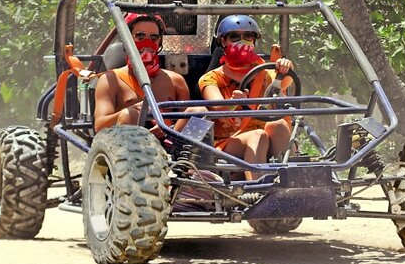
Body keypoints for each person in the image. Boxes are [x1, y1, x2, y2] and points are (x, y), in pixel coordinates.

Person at [198, 15, 293, 173]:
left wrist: (286, 66)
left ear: (254, 40)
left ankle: (290, 186)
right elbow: (216, 105)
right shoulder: (212, 78)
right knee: (257, 136)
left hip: (268, 137)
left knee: (279, 124)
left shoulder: (267, 73)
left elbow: (287, 81)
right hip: (229, 141)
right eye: (235, 37)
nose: (242, 41)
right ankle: (257, 192)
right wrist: (234, 103)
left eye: (248, 36)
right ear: (223, 41)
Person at [93, 13, 200, 134]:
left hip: (168, 144)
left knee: (198, 110)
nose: (147, 42)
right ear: (127, 40)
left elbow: (185, 122)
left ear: (160, 42)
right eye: (140, 36)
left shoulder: (175, 81)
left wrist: (167, 129)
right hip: (123, 146)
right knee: (130, 114)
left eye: (153, 38)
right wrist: (129, 112)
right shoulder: (111, 80)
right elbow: (99, 126)